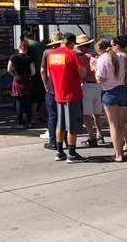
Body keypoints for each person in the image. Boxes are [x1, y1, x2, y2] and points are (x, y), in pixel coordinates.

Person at [47, 33, 87, 163]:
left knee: (60, 124)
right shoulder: (72, 54)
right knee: (72, 125)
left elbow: (48, 73)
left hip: (58, 93)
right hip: (72, 94)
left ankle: (60, 152)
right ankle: (72, 153)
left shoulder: (51, 55)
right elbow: (82, 72)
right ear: (72, 43)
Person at [92, 39, 127, 162]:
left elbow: (100, 79)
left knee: (114, 125)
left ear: (99, 49)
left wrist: (94, 68)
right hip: (122, 90)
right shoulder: (120, 57)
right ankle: (122, 150)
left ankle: (118, 154)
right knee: (121, 123)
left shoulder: (102, 59)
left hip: (109, 92)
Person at [75, 34, 105, 147]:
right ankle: (100, 134)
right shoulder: (97, 55)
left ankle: (92, 137)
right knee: (97, 113)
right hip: (99, 86)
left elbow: (81, 74)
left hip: (87, 86)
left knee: (86, 114)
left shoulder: (82, 58)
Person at [40, 31, 64, 150]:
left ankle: (53, 142)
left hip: (51, 88)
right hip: (63, 87)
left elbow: (43, 70)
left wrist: (45, 84)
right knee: (64, 115)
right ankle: (64, 141)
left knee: (52, 116)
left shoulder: (47, 52)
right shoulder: (67, 53)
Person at [112, 35, 127, 152]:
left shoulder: (121, 56)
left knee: (123, 118)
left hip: (122, 87)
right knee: (126, 118)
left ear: (117, 45)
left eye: (113, 45)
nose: (112, 47)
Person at [7, 39, 35, 128]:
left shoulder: (13, 57)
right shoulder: (29, 58)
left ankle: (20, 124)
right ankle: (29, 122)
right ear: (26, 49)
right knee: (28, 103)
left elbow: (8, 69)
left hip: (17, 80)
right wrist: (29, 76)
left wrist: (13, 75)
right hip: (26, 80)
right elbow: (33, 71)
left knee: (19, 103)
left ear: (19, 48)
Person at [24, 30, 46, 122]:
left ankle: (33, 118)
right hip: (42, 71)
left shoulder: (26, 45)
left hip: (31, 73)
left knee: (32, 96)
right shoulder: (41, 45)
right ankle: (43, 115)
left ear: (25, 38)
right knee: (42, 95)